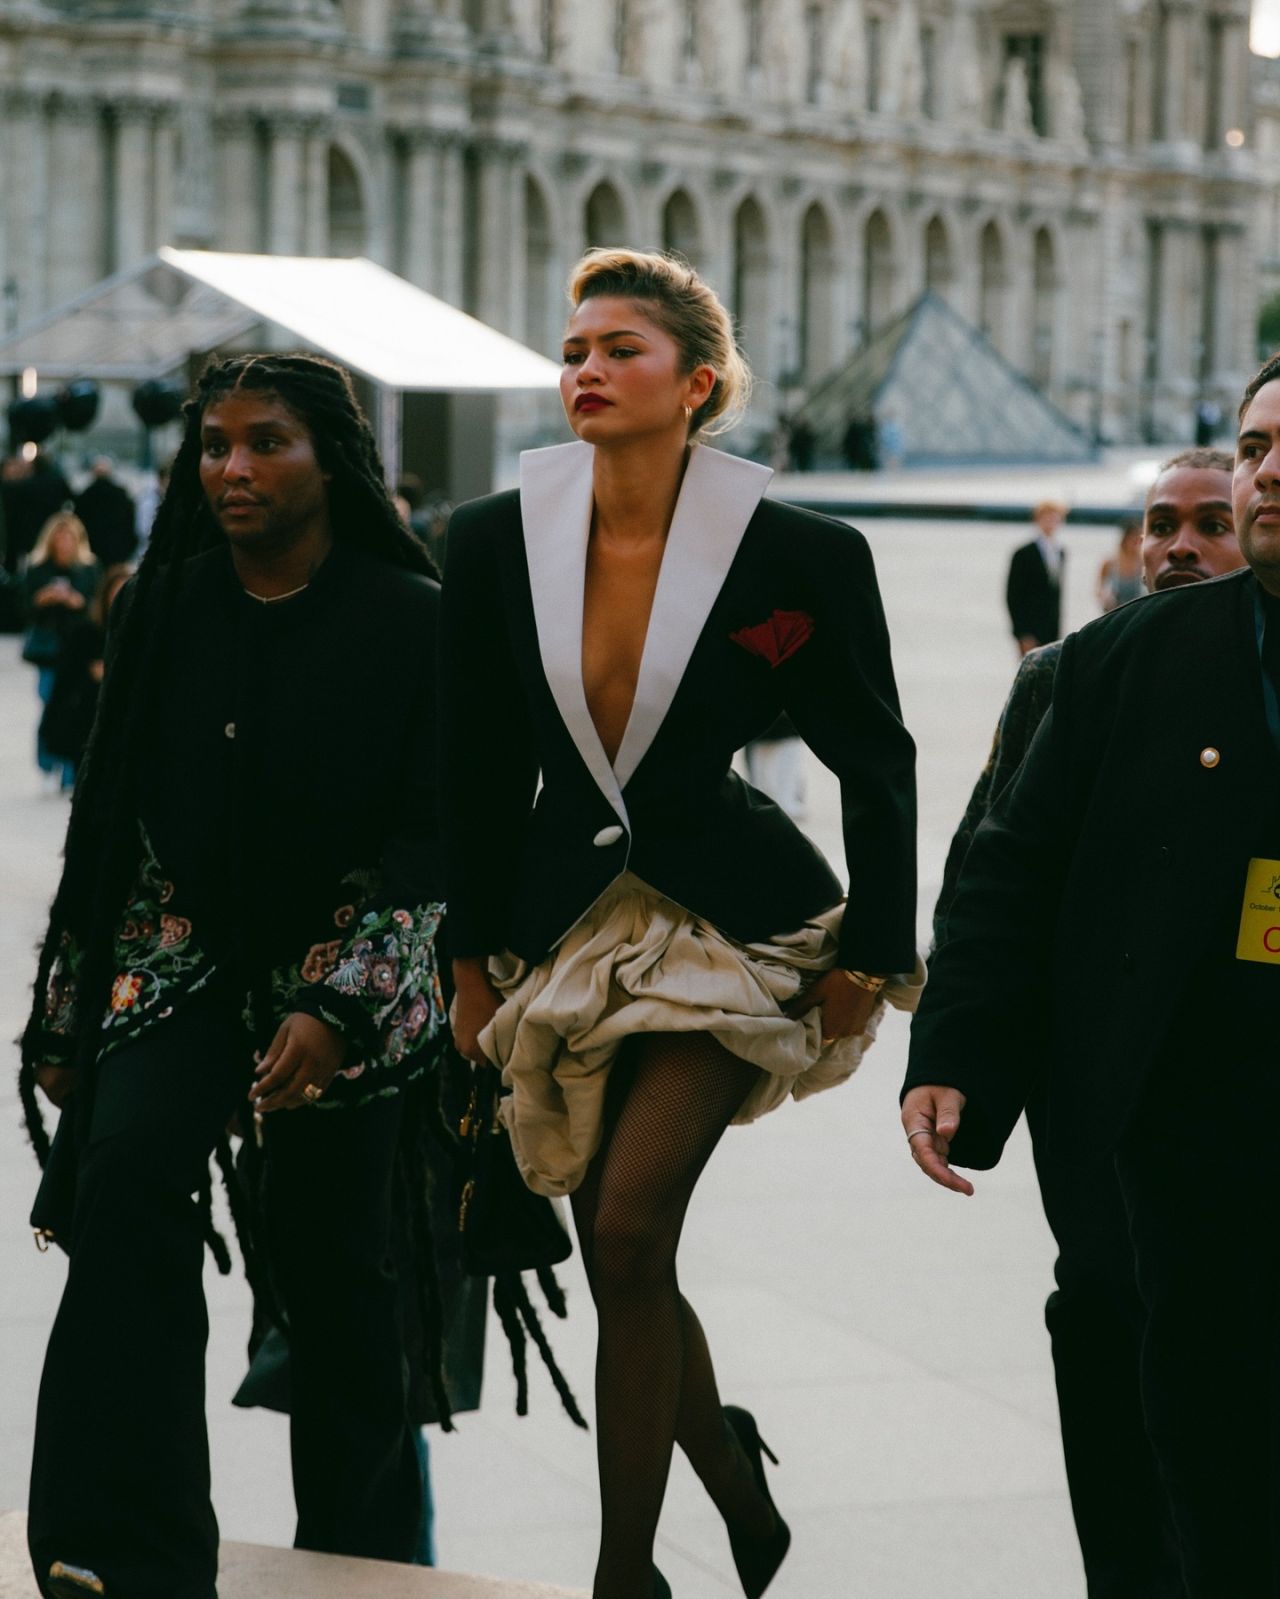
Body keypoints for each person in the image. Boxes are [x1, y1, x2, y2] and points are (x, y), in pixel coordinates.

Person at [440, 247, 921, 1599]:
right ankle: (728, 1464)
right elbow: (468, 769)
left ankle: (623, 1572)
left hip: (737, 930)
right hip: (562, 927)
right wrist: (464, 956)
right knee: (617, 1240)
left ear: (695, 384)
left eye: (619, 350)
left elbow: (875, 761)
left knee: (634, 1226)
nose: (584, 369)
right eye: (575, 347)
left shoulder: (803, 552)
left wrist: (875, 955)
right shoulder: (491, 537)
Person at [19, 353, 459, 1599]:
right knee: (122, 1190)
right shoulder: (166, 602)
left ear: (332, 458)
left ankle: (369, 1561)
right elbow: (109, 815)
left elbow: (435, 836)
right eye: (215, 444)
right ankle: (121, 1548)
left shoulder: (412, 617)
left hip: (347, 963)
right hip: (187, 954)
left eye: (266, 442)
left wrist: (340, 1005)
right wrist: (68, 1010)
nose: (233, 468)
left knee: (337, 1276)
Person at [901, 365, 1280, 1596]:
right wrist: (953, 1052)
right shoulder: (1120, 661)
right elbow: (1003, 867)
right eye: (1251, 447)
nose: (1263, 470)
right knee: (1201, 1460)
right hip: (1184, 1122)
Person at [20, 512, 99, 792]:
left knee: (75, 709)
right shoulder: (38, 568)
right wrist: (42, 599)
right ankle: (47, 762)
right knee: (49, 702)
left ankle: (69, 769)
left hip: (77, 649)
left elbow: (97, 608)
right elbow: (23, 610)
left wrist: (77, 602)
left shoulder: (88, 569)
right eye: (59, 537)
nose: (64, 543)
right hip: (49, 650)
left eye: (69, 537)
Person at [39, 562, 133, 785]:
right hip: (86, 721)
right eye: (116, 592)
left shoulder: (144, 632)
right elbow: (65, 680)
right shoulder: (86, 632)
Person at [1005, 498, 1067, 653]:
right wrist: (1022, 633)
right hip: (1030, 630)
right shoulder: (1023, 553)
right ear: (1037, 520)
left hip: (1052, 629)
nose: (1051, 522)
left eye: (1055, 518)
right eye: (1046, 517)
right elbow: (1013, 595)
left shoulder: (1060, 552)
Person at [73, 456, 138, 566]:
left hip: (92, 549)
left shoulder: (86, 496)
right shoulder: (121, 495)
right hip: (117, 550)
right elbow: (129, 522)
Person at [1095, 519, 1143, 612]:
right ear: (1125, 538)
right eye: (1133, 539)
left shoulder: (1143, 563)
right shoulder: (1110, 562)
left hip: (1136, 614)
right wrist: (1106, 597)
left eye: (1139, 540)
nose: (1136, 543)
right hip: (1114, 614)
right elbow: (1099, 589)